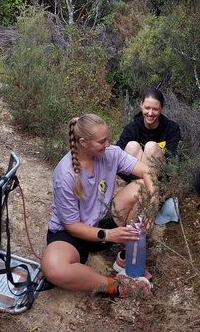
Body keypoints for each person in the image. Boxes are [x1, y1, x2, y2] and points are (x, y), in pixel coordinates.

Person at [41, 114, 158, 299]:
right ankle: (117, 287)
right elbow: (71, 225)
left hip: (102, 220)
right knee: (53, 268)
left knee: (144, 188)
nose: (108, 144)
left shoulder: (109, 153)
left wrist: (153, 200)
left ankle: (127, 258)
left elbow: (147, 171)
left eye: (107, 139)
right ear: (83, 142)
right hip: (71, 235)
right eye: (102, 141)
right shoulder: (66, 174)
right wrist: (110, 234)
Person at [116, 88, 181, 176]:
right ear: (141, 105)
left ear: (162, 108)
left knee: (151, 147)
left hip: (159, 178)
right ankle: (138, 186)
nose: (150, 113)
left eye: (155, 109)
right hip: (133, 178)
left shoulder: (171, 128)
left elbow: (173, 163)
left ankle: (150, 188)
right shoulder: (132, 129)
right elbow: (116, 155)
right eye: (147, 108)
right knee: (132, 146)